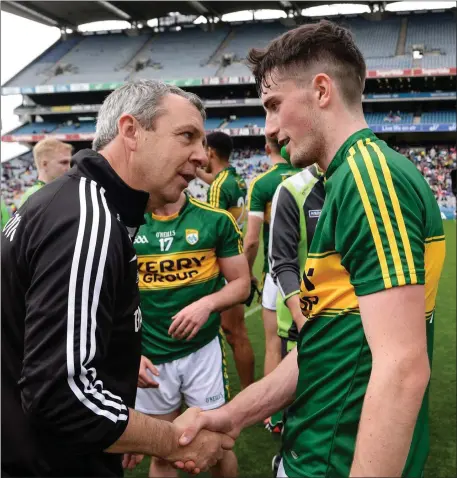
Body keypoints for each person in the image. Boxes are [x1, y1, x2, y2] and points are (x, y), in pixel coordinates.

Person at [173, 20, 446, 478]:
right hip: (313, 452)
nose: (270, 128)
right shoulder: (341, 180)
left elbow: (402, 368)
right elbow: (325, 343)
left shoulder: (367, 178)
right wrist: (233, 415)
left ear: (322, 91)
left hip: (335, 463)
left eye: (274, 106)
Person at [1, 79, 234, 477]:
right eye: (187, 136)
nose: (201, 156)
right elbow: (59, 396)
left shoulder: (76, 203)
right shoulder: (87, 221)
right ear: (131, 132)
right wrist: (168, 439)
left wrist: (118, 374)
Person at [134, 190, 249, 477]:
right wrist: (126, 351)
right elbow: (105, 298)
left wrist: (206, 304)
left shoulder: (215, 220)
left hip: (201, 353)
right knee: (162, 454)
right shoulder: (126, 223)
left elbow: (241, 284)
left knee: (218, 447)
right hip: (150, 358)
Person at [243, 137, 300, 431]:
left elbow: (252, 238)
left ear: (268, 149)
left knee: (274, 345)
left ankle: (275, 416)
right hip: (312, 271)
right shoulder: (311, 175)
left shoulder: (262, 183)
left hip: (276, 273)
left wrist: (245, 272)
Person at [202, 131, 255, 390]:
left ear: (210, 151)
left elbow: (213, 231)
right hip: (238, 256)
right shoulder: (234, 178)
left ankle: (246, 392)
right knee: (235, 331)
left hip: (224, 267)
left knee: (232, 332)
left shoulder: (219, 186)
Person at [19, 138, 72, 206]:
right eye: (64, 162)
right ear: (45, 164)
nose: (69, 167)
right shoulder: (35, 196)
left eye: (70, 162)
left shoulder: (56, 191)